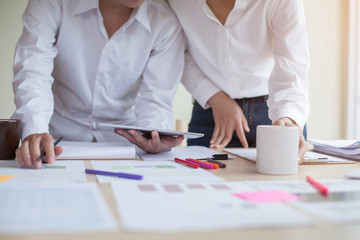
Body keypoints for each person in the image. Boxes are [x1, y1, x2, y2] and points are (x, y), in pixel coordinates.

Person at [12, 0, 185, 169]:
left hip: (124, 150)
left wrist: (153, 136)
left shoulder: (165, 21)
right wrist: (35, 129)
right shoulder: (52, 3)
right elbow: (33, 69)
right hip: (55, 144)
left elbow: (156, 99)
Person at [168, 0, 309, 160]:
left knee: (284, 182)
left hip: (272, 114)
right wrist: (214, 96)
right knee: (201, 181)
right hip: (211, 113)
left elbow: (292, 65)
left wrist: (288, 117)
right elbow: (178, 51)